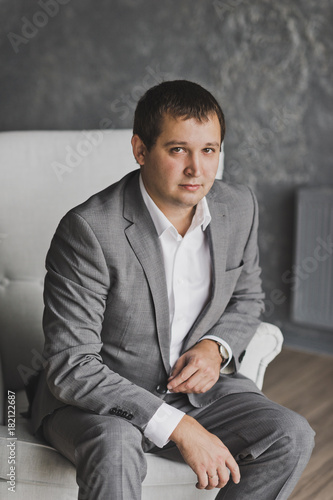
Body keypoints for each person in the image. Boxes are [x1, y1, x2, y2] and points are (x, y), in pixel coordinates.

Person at [31, 80, 315, 499]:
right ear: (141, 150)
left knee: (291, 434)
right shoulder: (89, 230)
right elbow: (71, 366)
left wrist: (214, 348)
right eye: (178, 149)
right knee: (116, 447)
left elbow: (247, 298)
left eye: (209, 150)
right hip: (101, 401)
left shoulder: (239, 207)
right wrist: (177, 426)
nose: (197, 170)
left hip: (200, 394)